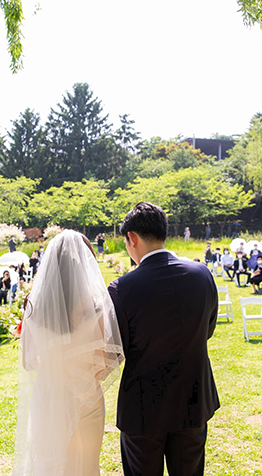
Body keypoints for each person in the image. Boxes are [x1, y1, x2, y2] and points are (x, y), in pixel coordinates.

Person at [104, 203, 217, 476]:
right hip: (193, 395)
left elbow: (118, 348)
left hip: (143, 405)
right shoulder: (202, 274)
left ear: (132, 238)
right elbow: (209, 328)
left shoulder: (123, 288)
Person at [14, 230, 124, 476]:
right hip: (86, 398)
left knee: (51, 464)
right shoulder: (96, 306)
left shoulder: (34, 305)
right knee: (85, 466)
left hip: (48, 396)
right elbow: (106, 364)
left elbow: (28, 362)